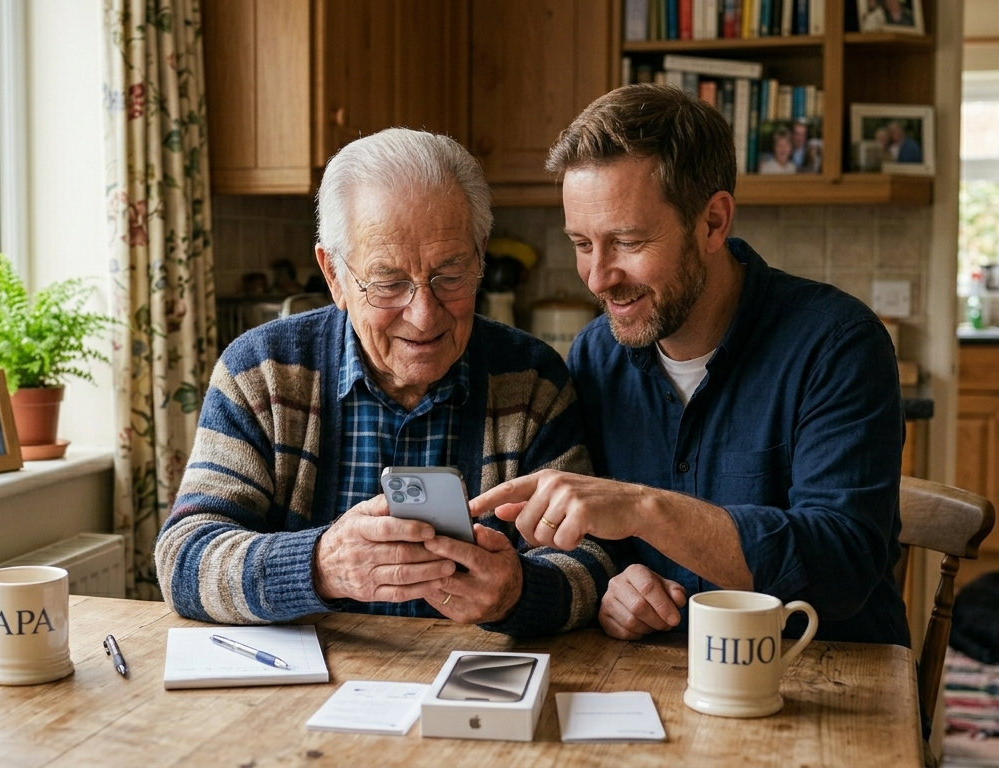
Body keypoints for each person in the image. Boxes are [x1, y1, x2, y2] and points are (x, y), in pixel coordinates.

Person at [470, 84, 910, 648]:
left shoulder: (838, 345)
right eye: (582, 243)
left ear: (713, 223)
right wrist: (616, 586)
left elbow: (842, 567)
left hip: (827, 677)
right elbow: (602, 548)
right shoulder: (596, 356)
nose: (598, 277)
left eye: (627, 242)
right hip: (661, 678)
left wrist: (644, 509)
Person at [156, 128, 612, 636]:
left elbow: (593, 562)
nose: (423, 315)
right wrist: (321, 564)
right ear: (334, 275)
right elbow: (184, 559)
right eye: (389, 283)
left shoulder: (531, 380)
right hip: (308, 680)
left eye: (450, 276)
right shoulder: (262, 373)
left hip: (469, 677)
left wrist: (518, 592)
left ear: (480, 255)